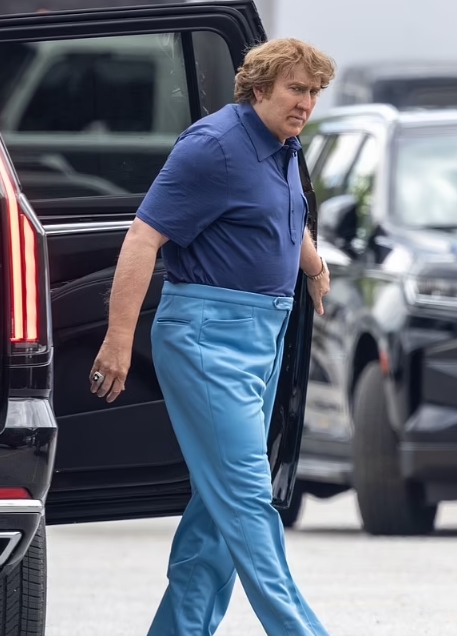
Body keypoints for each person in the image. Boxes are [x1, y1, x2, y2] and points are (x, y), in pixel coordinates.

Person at [90, 37, 335, 636]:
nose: (305, 103)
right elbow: (143, 237)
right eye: (295, 89)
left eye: (313, 92)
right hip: (209, 340)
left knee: (216, 511)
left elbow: (283, 212)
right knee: (247, 500)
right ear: (259, 88)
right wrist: (118, 338)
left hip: (263, 337)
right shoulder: (213, 146)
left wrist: (312, 265)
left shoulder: (282, 144)